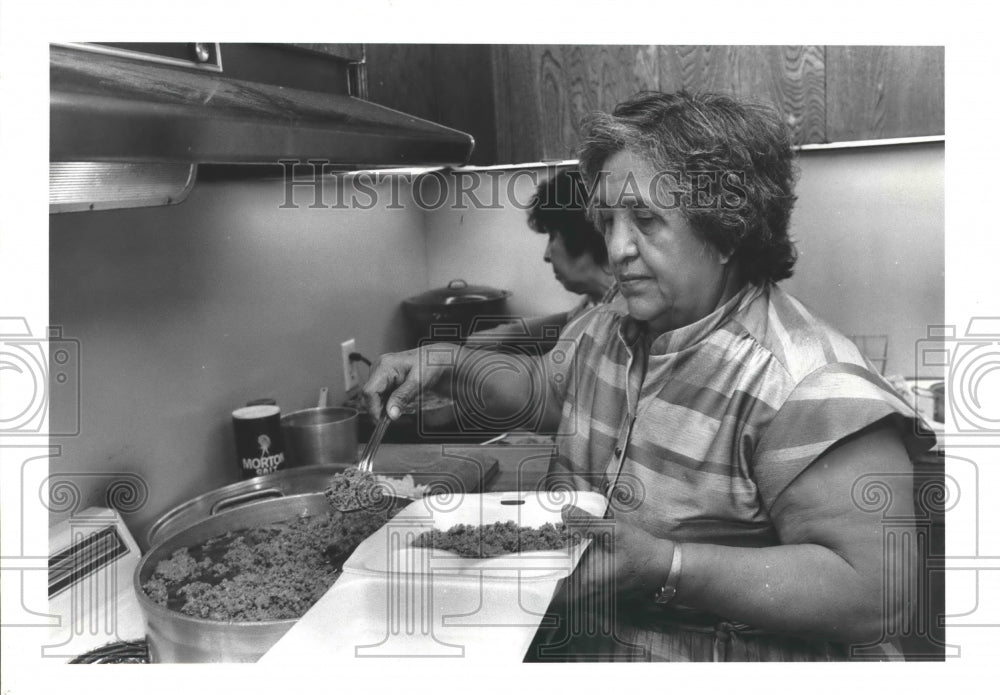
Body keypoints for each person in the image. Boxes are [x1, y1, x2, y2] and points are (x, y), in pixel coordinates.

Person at [363, 90, 934, 661]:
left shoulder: (809, 384)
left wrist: (668, 566)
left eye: (644, 219)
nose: (615, 248)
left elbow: (873, 595)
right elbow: (546, 395)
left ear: (727, 229)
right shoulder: (612, 320)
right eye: (608, 219)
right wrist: (453, 363)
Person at [464, 167, 619, 352]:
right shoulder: (598, 301)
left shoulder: (622, 316)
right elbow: (571, 321)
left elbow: (539, 375)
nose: (546, 255)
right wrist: (512, 331)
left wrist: (457, 360)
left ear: (580, 236)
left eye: (553, 236)